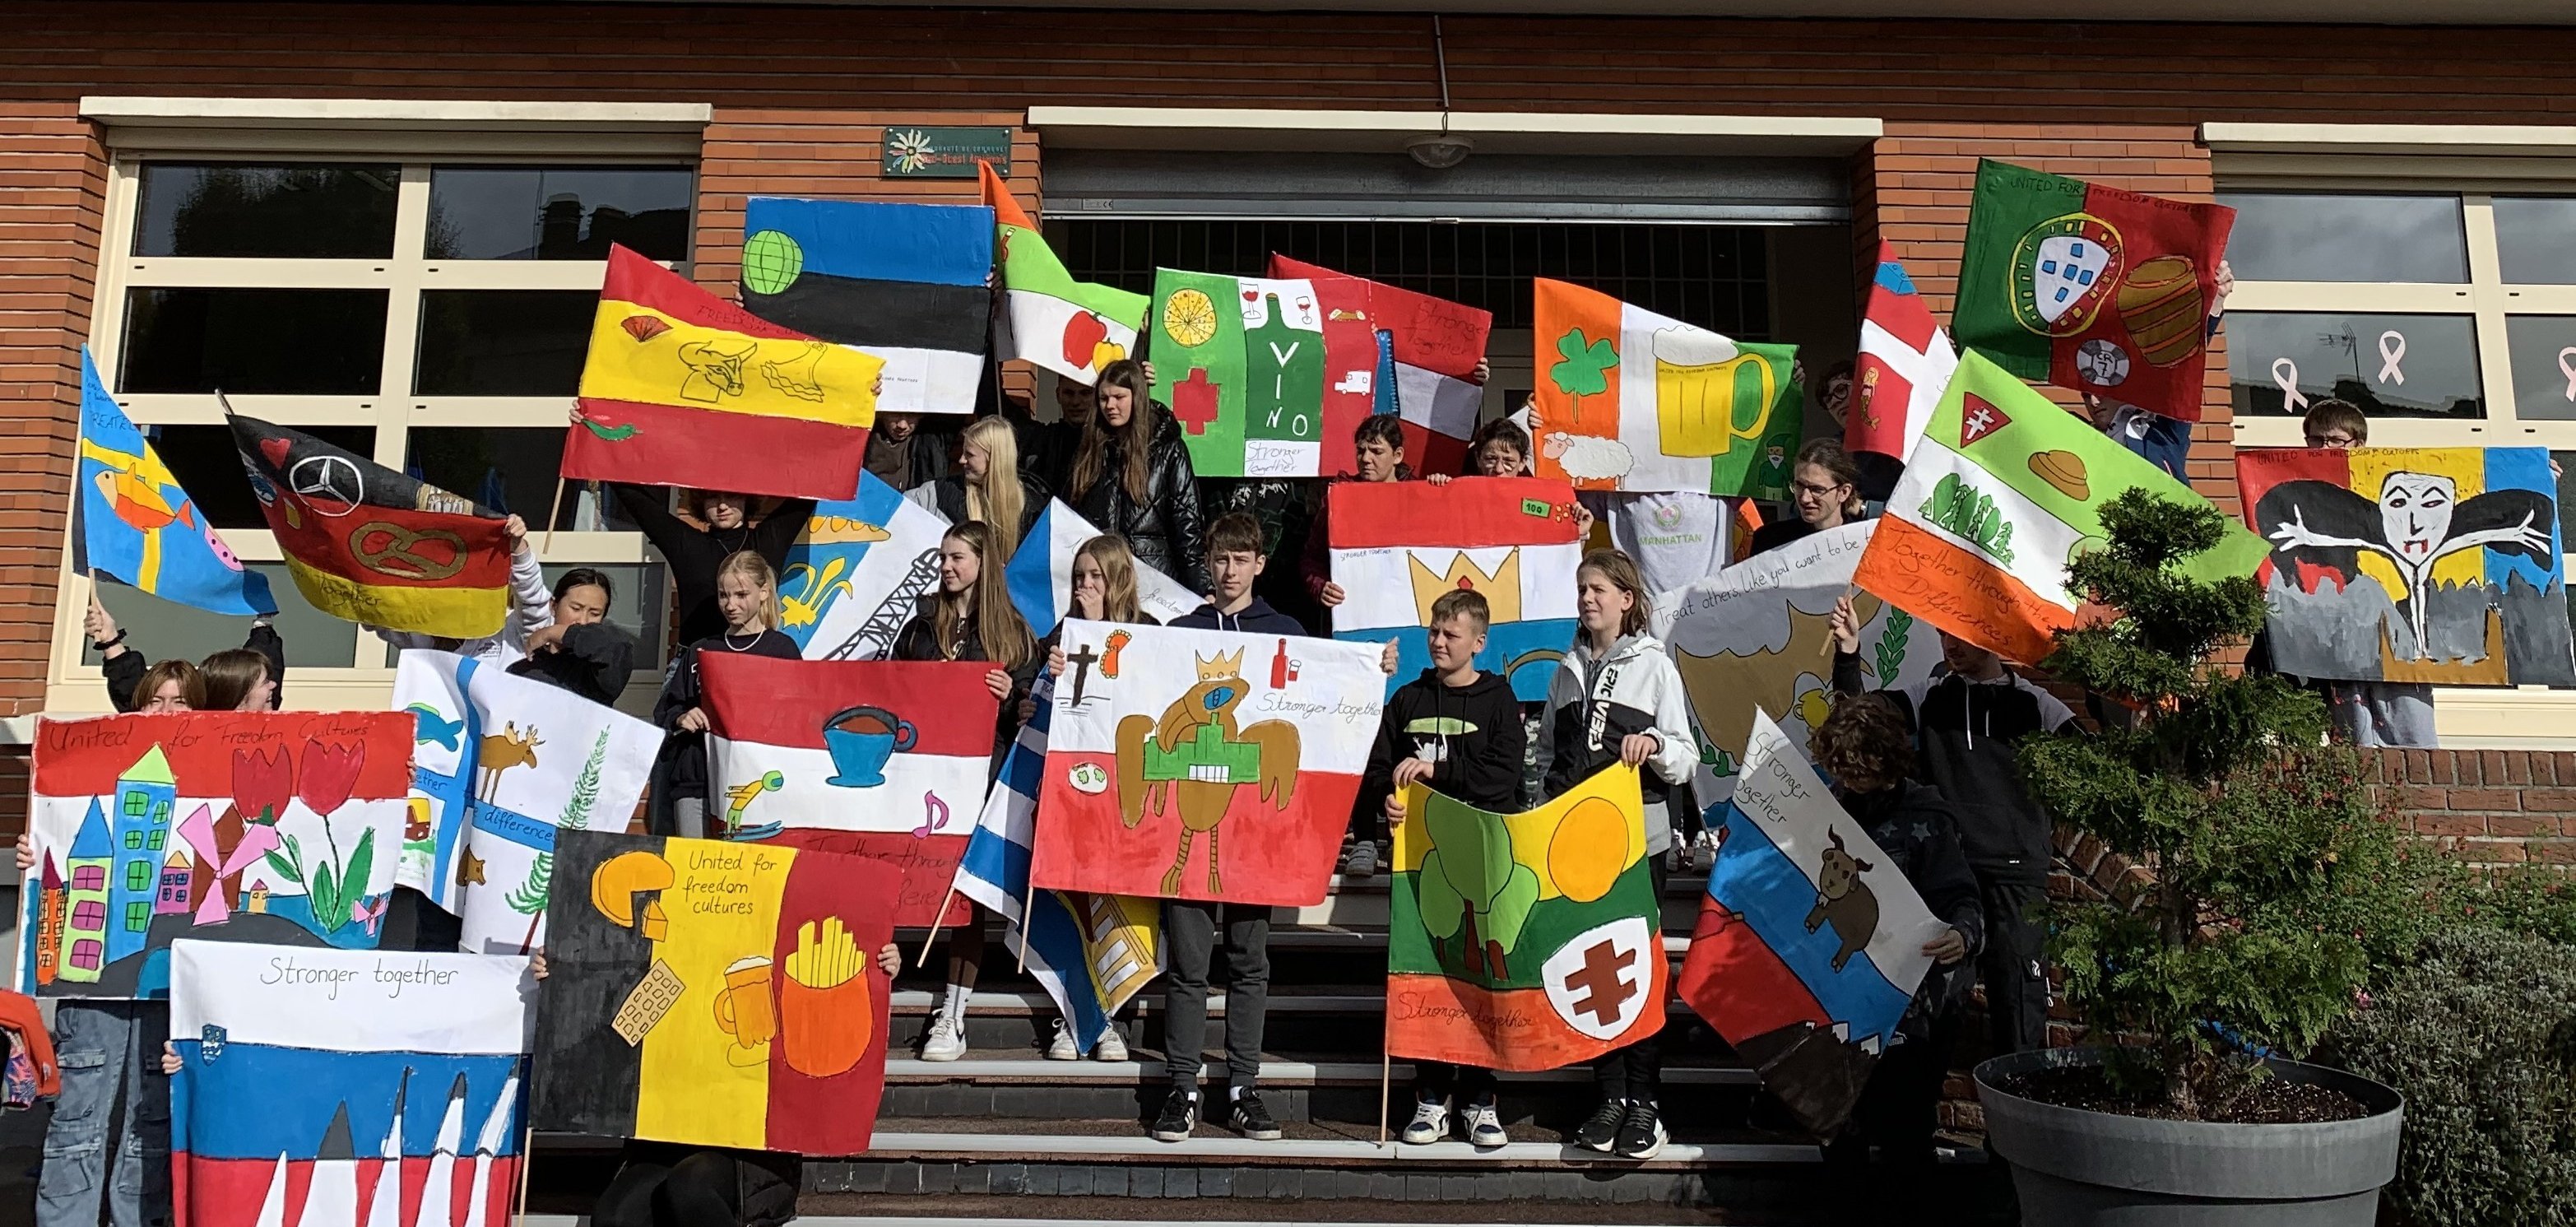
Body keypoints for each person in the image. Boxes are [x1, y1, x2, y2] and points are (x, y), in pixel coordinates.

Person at [1830, 598, 2072, 1059]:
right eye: (1943, 635)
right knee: (1938, 1005)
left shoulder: (2039, 706)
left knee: (2019, 1003)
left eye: (1960, 635)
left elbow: (2096, 767)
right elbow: (1860, 720)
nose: (1950, 646)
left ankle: (2009, 1129)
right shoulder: (1930, 695)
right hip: (1948, 870)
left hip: (2015, 874)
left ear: (1990, 635)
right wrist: (1848, 652)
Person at [518, 944, 899, 1227]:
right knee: (614, 1215)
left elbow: (829, 1025)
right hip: (666, 1137)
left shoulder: (781, 973)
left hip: (751, 1146)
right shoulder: (662, 977)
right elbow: (611, 1039)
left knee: (691, 1188)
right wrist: (564, 975)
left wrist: (878, 970)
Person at [1535, 548, 1697, 1160]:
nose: (1586, 599)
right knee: (1589, 964)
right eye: (1580, 589)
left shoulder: (1654, 666)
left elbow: (1685, 758)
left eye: (1598, 588)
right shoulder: (1565, 667)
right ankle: (1607, 1094)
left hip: (1638, 841)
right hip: (1574, 846)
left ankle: (1644, 1100)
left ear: (1627, 598)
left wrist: (1652, 742)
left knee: (1636, 967)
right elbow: (1546, 754)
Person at [1805, 695, 1981, 1201]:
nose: (1848, 782)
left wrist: (1962, 935)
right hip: (1838, 999)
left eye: (1856, 771)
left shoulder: (1926, 818)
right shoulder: (1827, 814)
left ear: (1885, 762)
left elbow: (1961, 895)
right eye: (1839, 771)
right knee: (1840, 1132)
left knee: (1905, 1135)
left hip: (1908, 1004)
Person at [1372, 589, 1524, 1150]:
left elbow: (1502, 776)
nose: (1437, 641)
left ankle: (1481, 1099)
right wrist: (1384, 802)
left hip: (1482, 866)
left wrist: (1439, 768)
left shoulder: (1498, 698)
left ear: (1478, 642)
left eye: (1450, 634)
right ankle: (1430, 1096)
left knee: (1479, 976)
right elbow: (1378, 768)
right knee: (1425, 975)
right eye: (1433, 631)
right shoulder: (1407, 698)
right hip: (1420, 866)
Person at [893, 521, 1040, 1063]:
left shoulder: (1013, 633)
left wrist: (1012, 696)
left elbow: (1031, 710)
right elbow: (891, 692)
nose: (947, 567)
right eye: (943, 557)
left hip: (981, 781)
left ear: (982, 562)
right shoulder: (919, 628)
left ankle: (953, 1013)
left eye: (957, 557)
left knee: (966, 896)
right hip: (921, 782)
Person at [1031, 535, 1158, 1063]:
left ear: (1116, 580)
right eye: (1079, 576)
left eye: (1095, 577)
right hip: (1073, 794)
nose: (1084, 585)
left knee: (1123, 907)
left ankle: (1112, 1020)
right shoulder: (1061, 637)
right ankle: (1074, 1015)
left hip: (1127, 793)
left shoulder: (1150, 634)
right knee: (1077, 905)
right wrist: (1043, 685)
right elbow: (1039, 712)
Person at [2253, 398, 2438, 749]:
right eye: (2316, 439)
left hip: (2384, 625)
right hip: (2327, 632)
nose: (2324, 448)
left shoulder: (2389, 483)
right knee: (2353, 740)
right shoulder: (2290, 487)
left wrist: (2534, 473)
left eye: (2336, 439)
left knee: (2411, 735)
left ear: (2358, 443)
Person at [18, 831, 172, 1227]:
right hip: (92, 992)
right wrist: (38, 846)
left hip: (170, 992)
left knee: (151, 1123)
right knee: (78, 1120)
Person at [651, 552, 800, 839]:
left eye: (741, 594)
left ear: (764, 592)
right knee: (695, 876)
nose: (731, 605)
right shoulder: (700, 650)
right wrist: (682, 717)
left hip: (756, 785)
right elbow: (666, 711)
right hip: (696, 782)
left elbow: (797, 718)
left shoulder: (782, 650)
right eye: (723, 595)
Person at [608, 482, 813, 649]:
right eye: (713, 497)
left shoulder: (768, 540)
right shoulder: (686, 545)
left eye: (731, 496)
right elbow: (637, 501)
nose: (722, 506)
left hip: (755, 658)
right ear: (701, 501)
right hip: (694, 663)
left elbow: (813, 487)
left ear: (746, 498)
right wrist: (605, 446)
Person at [1066, 360, 1209, 597]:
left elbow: (1187, 526)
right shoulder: (1089, 451)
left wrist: (1204, 589)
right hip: (1099, 585)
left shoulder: (1169, 450)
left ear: (1137, 398)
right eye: (1103, 398)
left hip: (1153, 584)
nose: (1110, 405)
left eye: (1119, 397)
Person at [373, 513, 555, 665]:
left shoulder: (511, 634)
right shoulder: (416, 633)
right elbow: (374, 607)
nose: (454, 594)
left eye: (465, 588)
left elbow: (533, 599)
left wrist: (517, 547)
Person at [91, 596, 283, 714]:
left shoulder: (217, 737)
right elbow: (129, 688)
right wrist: (110, 641)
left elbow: (262, 674)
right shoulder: (139, 728)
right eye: (155, 701)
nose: (166, 711)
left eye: (180, 702)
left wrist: (263, 624)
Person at [1304, 415, 1411, 615]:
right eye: (1361, 451)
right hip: (1353, 614)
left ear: (1397, 455)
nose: (1366, 459)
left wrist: (1440, 489)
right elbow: (1312, 559)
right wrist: (1321, 587)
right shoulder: (1338, 498)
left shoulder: (1418, 497)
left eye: (1377, 452)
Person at [906, 416, 1049, 559]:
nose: (962, 460)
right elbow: (898, 510)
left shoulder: (1033, 510)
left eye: (970, 455)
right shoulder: (937, 493)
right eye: (963, 452)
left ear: (994, 459)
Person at [509, 568, 637, 706]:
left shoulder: (597, 671)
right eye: (576, 609)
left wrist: (553, 632)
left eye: (594, 614)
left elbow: (617, 645)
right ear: (553, 606)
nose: (583, 621)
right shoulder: (523, 669)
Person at [1748, 438, 1865, 558]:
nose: (1805, 498)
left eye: (1817, 489)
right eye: (1799, 486)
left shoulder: (1864, 542)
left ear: (1843, 492)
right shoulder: (1769, 540)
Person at [864, 410, 950, 493]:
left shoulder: (926, 440)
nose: (902, 425)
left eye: (911, 414)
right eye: (895, 413)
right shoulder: (864, 438)